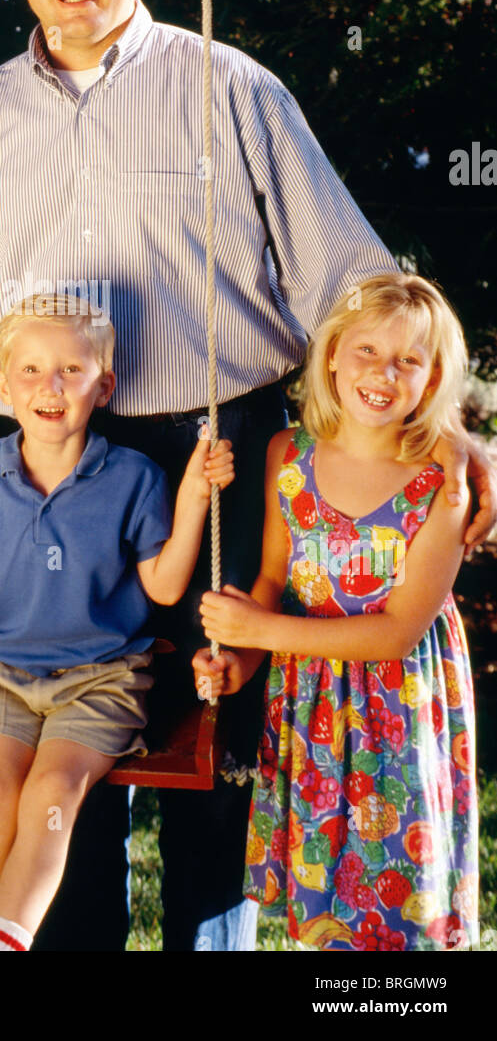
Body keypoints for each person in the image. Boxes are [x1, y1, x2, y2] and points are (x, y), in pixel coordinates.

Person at [0, 0, 495, 951]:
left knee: (219, 737)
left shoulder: (227, 88)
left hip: (217, 452)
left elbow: (354, 283)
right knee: (60, 751)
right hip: (48, 469)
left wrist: (459, 431)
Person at [0, 294, 234, 950]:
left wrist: (194, 494)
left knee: (52, 792)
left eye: (70, 371)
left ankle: (3, 940)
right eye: (28, 370)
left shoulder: (132, 477)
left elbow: (164, 584)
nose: (48, 387)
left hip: (99, 680)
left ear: (102, 385)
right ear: (2, 386)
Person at [195, 273, 478, 950]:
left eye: (408, 360)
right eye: (367, 351)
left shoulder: (441, 485)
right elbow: (269, 577)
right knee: (325, 904)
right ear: (329, 355)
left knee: (396, 894)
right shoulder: (286, 456)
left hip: (397, 712)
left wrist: (259, 630)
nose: (383, 374)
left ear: (432, 375)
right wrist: (238, 660)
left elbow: (394, 634)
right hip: (309, 709)